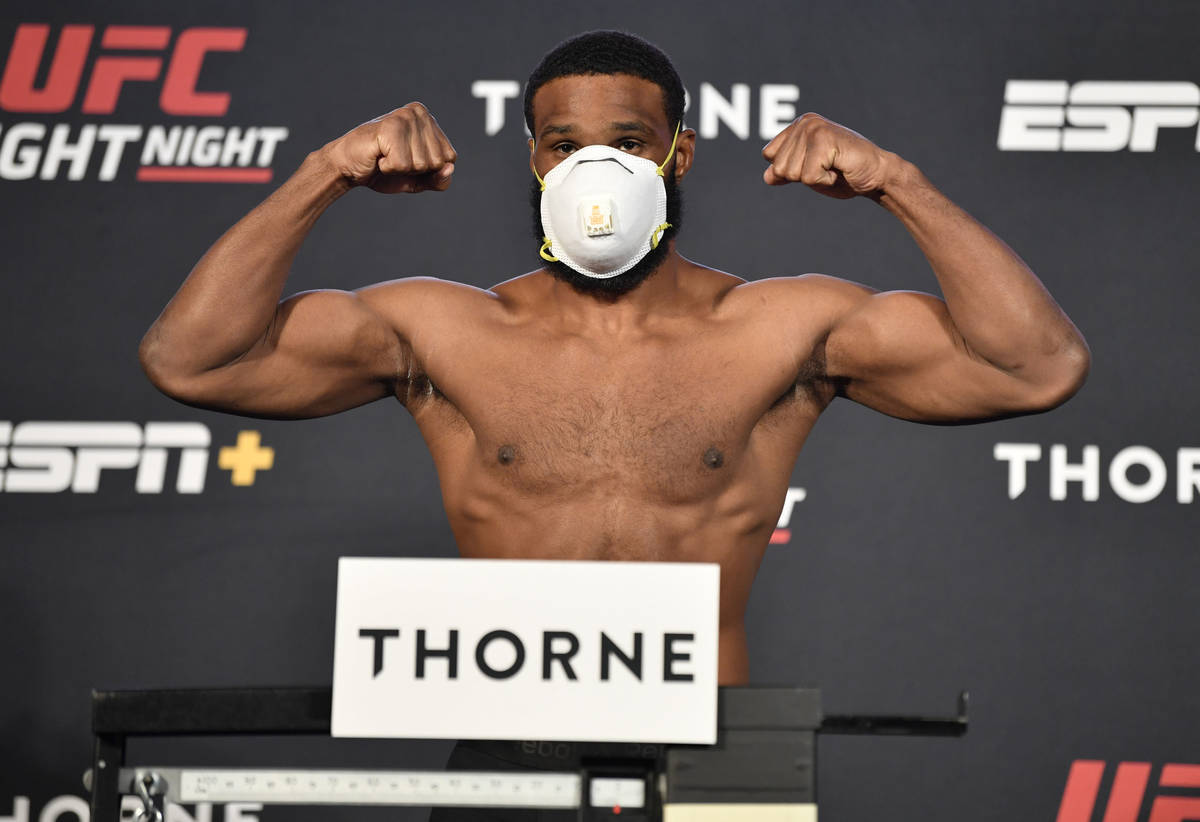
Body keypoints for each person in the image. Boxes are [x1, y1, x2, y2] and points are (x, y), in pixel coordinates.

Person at [138, 30, 1089, 689]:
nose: (599, 169)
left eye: (629, 142)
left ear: (676, 155)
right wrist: (324, 172)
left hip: (715, 745)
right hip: (510, 740)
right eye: (566, 144)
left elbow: (1033, 368)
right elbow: (193, 360)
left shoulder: (778, 329)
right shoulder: (445, 332)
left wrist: (897, 183)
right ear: (535, 162)